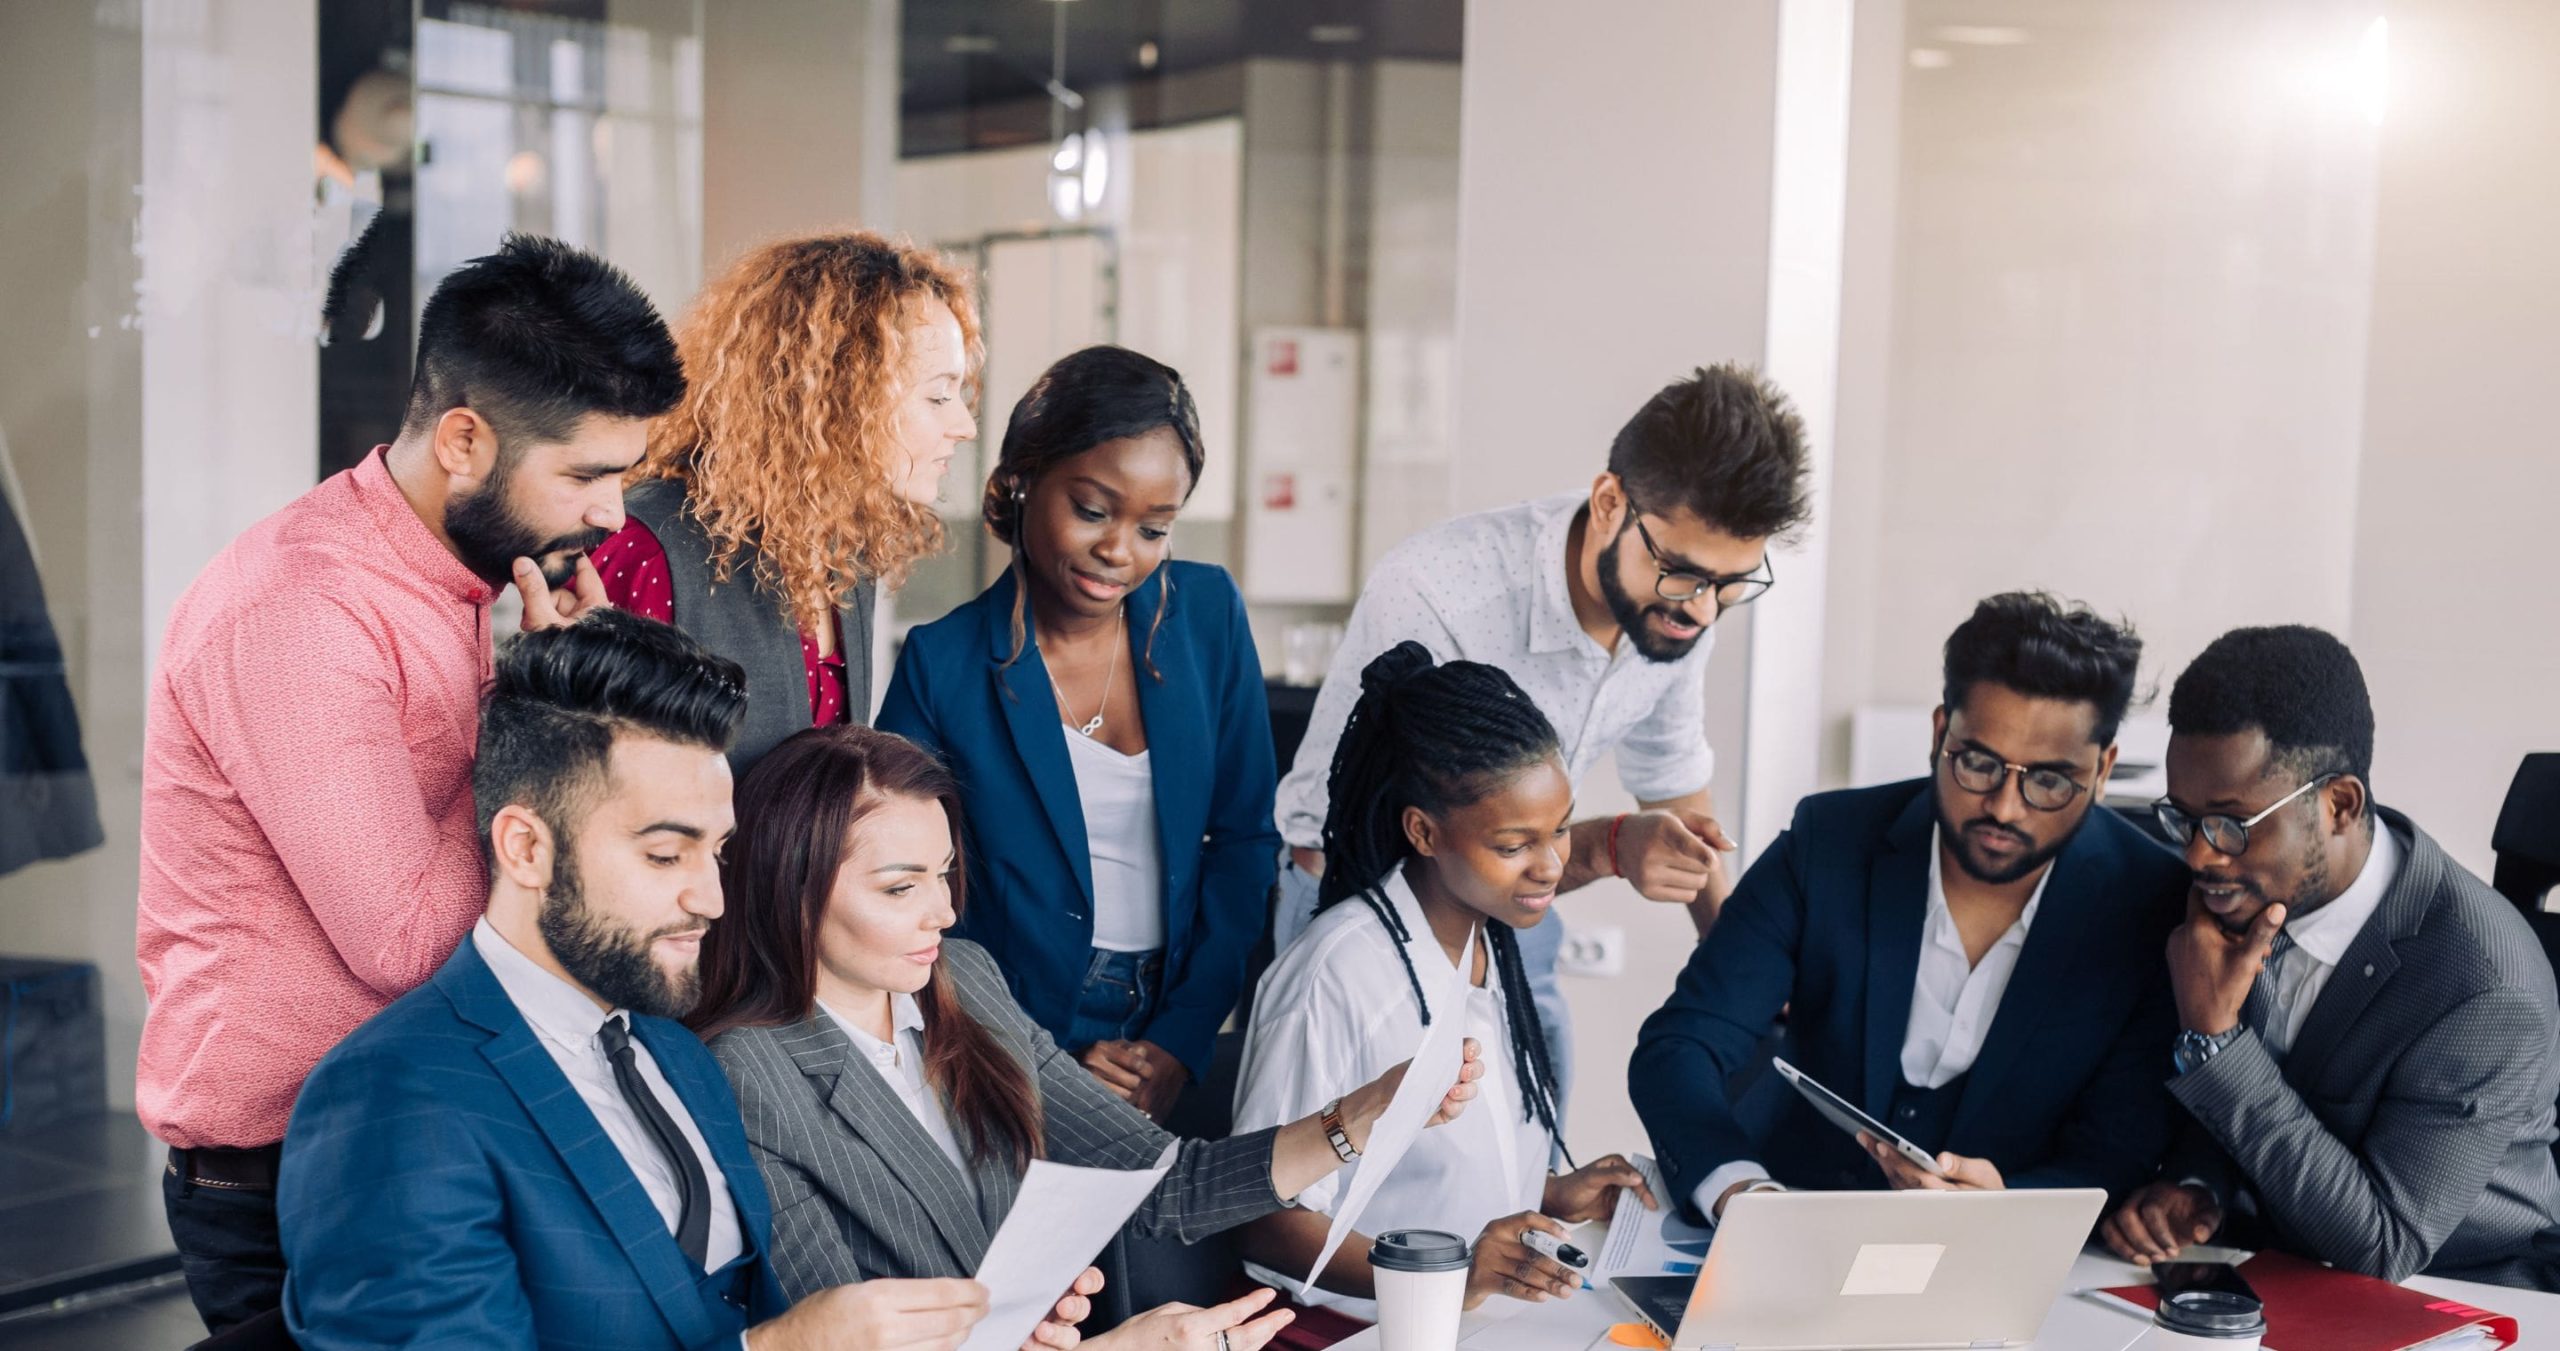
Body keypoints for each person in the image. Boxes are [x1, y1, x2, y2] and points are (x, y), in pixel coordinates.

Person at [137, 233, 682, 1333]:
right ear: (465, 440)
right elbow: (409, 939)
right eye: (585, 473)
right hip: (293, 1168)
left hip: (427, 1125)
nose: (616, 514)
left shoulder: (472, 575)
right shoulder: (301, 611)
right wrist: (542, 708)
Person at [279, 610, 1037, 1351]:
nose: (711, 898)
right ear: (526, 849)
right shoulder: (393, 1096)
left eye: (718, 853)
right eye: (667, 855)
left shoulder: (679, 1056)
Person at [689, 724, 1485, 1351]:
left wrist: (1366, 1113)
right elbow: (835, 1340)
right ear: (790, 890)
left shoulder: (963, 982)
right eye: (902, 886)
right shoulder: (747, 1073)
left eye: (942, 872)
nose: (944, 911)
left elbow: (1168, 1184)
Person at [1268, 363, 1813, 1098]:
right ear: (1610, 501)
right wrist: (1612, 846)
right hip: (1361, 903)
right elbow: (1386, 849)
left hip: (1517, 911)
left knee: (1532, 1162)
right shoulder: (1441, 593)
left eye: (1732, 584)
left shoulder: (1682, 604)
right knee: (1379, 1186)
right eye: (1686, 574)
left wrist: (1748, 976)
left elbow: (1677, 780)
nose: (1705, 610)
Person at [1630, 593, 2187, 1222]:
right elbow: (1683, 1044)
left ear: (2103, 769)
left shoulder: (2150, 902)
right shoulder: (1828, 842)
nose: (2004, 808)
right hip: (1784, 1210)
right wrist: (1742, 1195)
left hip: (1993, 1267)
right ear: (1939, 733)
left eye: (2049, 780)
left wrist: (2006, 1207)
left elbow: (2120, 1148)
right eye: (1978, 763)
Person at [877, 346, 1276, 1121]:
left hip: (1181, 1012)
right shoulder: (945, 662)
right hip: (1009, 1034)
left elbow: (1244, 842)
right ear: (1025, 477)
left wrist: (1182, 1038)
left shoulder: (1206, 616)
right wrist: (1036, 1055)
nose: (1119, 551)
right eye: (1092, 510)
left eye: (1153, 527)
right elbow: (903, 890)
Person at [2103, 626, 2560, 1289]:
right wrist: (2198, 1182)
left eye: (2230, 823)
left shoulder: (2486, 989)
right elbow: (2280, 1090)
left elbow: (2384, 1243)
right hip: (2272, 1259)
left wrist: (2215, 1043)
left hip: (2458, 1287)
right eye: (2185, 818)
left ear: (2340, 804)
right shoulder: (2236, 891)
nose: (2200, 855)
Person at [1235, 643, 1657, 1333]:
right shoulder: (1336, 972)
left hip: (1476, 1322)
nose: (1551, 864)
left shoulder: (1488, 942)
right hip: (1353, 1331)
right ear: (1423, 831)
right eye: (1515, 843)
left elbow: (1418, 1178)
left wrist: (1551, 1191)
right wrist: (1451, 1272)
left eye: (1557, 830)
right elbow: (1261, 1217)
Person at [596, 231, 981, 769]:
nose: (963, 426)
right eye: (938, 396)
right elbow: (601, 790)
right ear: (838, 394)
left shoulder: (844, 549)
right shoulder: (649, 548)